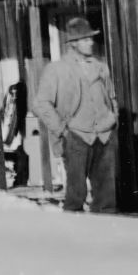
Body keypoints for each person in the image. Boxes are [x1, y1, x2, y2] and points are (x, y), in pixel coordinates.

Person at [30, 15, 119, 213]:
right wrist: (62, 130)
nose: (91, 43)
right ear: (73, 43)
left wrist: (113, 119)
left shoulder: (100, 67)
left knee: (106, 197)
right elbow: (40, 103)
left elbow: (111, 97)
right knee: (75, 196)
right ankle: (76, 237)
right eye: (86, 39)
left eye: (91, 38)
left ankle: (104, 234)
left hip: (104, 135)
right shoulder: (57, 70)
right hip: (76, 136)